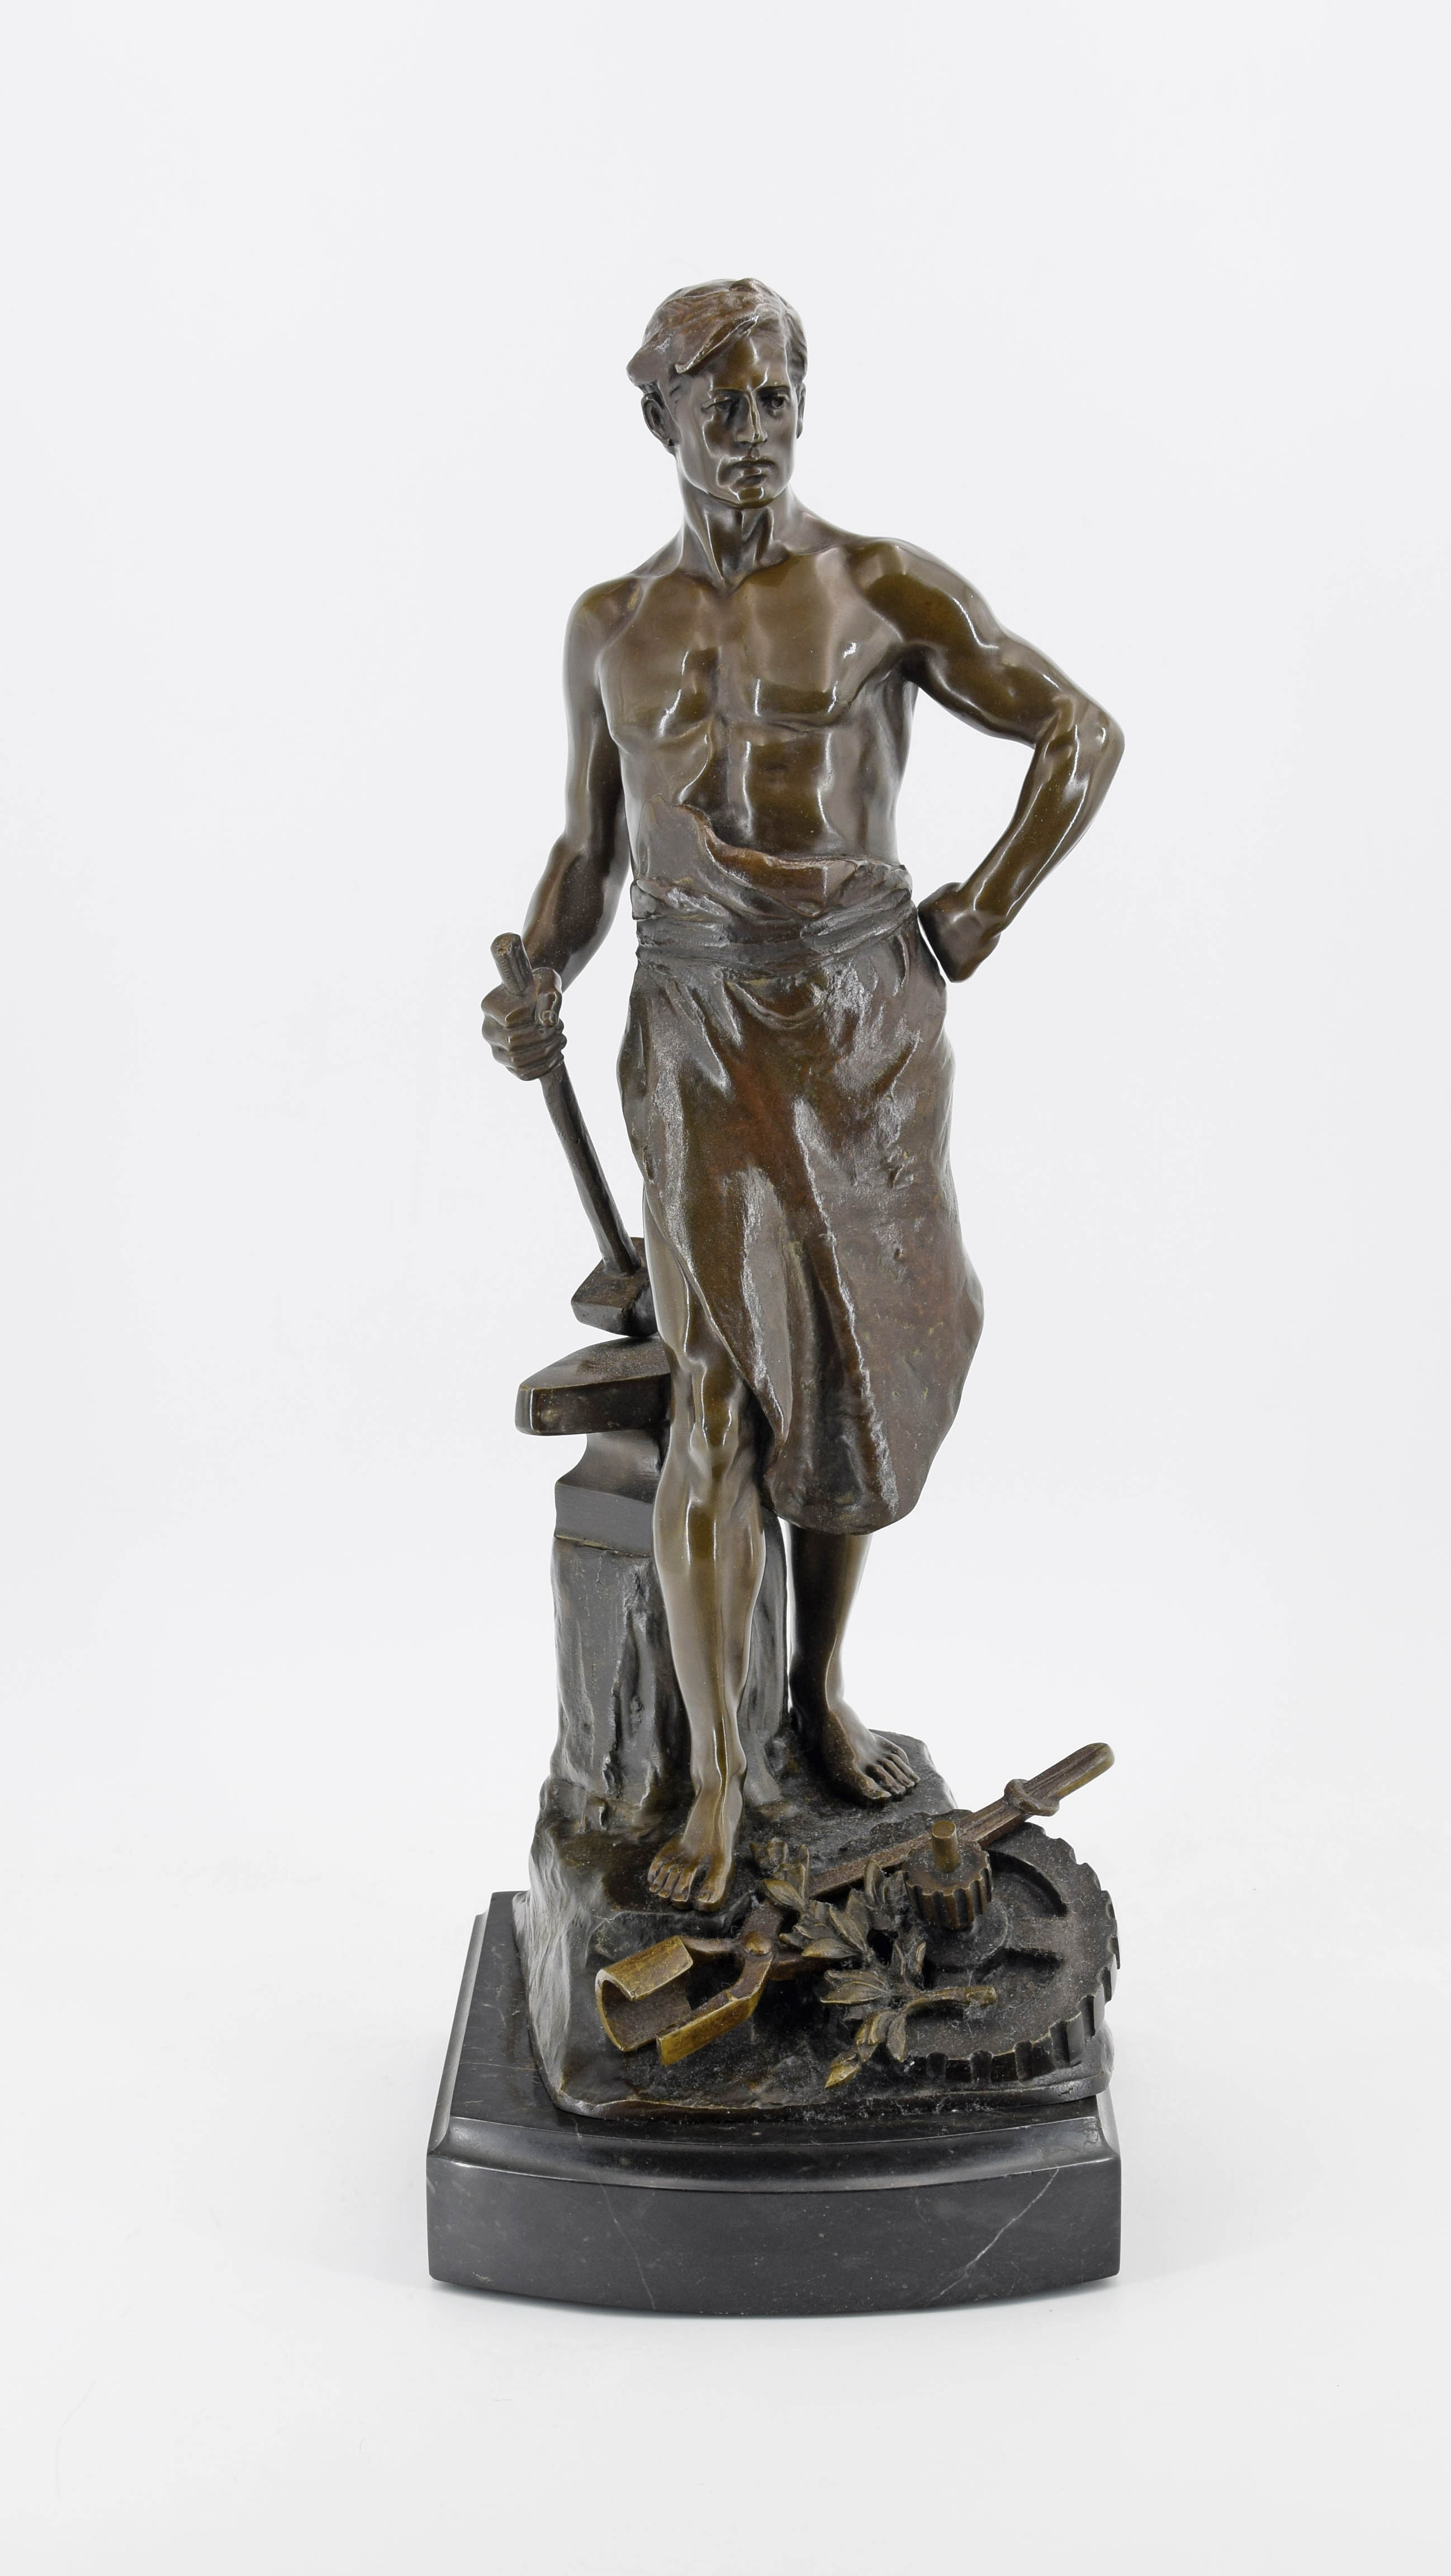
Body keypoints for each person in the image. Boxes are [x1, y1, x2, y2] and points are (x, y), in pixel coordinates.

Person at [483, 278, 1122, 1908]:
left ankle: (816, 1692)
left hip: (858, 1026)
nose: (757, 433)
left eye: (778, 399)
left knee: (856, 1377)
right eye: (725, 407)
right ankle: (716, 1784)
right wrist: (540, 966)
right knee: (716, 1386)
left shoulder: (879, 587)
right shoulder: (610, 625)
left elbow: (1078, 732)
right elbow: (589, 848)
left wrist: (977, 911)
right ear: (662, 422)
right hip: (693, 1028)